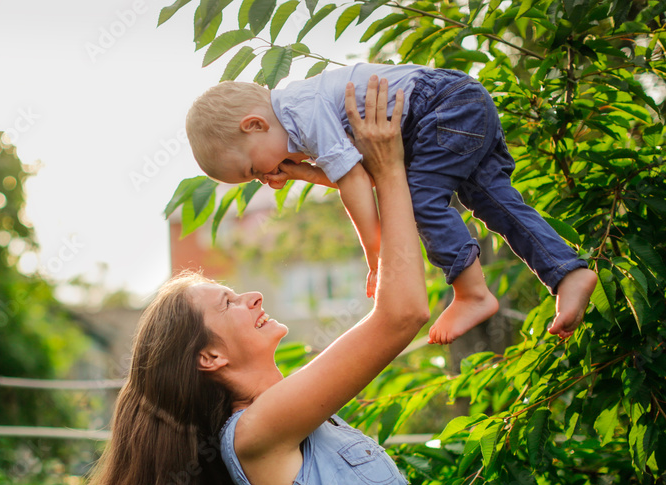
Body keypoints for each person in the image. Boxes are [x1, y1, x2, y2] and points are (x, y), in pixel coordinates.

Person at [39, 78, 478, 485]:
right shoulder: (255, 434)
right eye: (226, 304)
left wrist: (321, 164)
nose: (249, 296)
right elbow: (403, 312)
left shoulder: (299, 420)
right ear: (210, 358)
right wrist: (390, 166)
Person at [185, 63, 598, 343]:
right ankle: (567, 273)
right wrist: (304, 172)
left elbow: (354, 182)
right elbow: (360, 173)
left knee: (417, 201)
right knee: (497, 203)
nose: (264, 176)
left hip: (441, 108)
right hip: (461, 103)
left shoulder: (301, 112)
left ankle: (472, 293)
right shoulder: (298, 116)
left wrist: (375, 251)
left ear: (254, 125)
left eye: (253, 169)